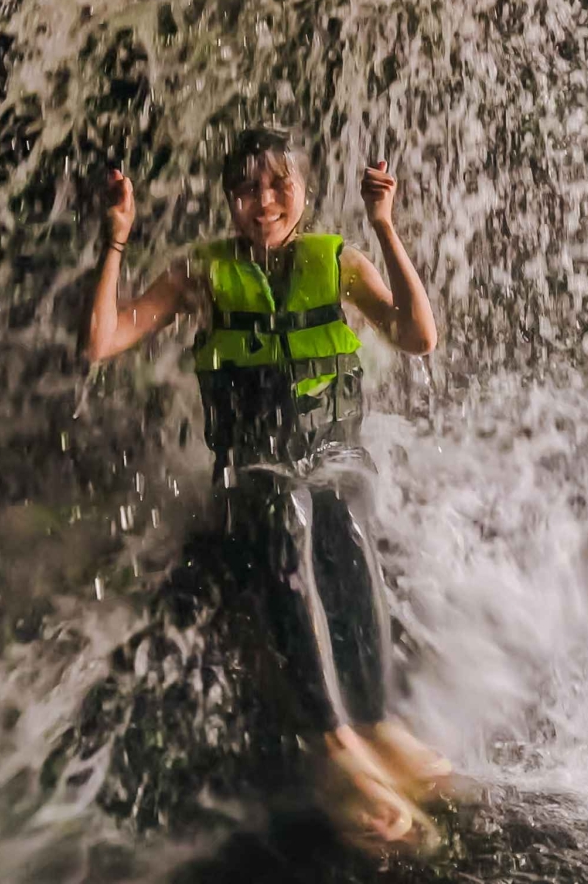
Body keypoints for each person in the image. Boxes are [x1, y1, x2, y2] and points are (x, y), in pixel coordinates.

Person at [81, 128, 449, 849]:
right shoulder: (200, 271)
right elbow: (101, 341)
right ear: (230, 199)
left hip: (333, 456)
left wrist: (384, 226)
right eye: (248, 188)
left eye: (280, 184)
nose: (265, 201)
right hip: (252, 469)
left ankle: (378, 722)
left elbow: (417, 336)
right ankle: (333, 741)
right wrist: (116, 238)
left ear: (304, 192)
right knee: (287, 509)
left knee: (340, 514)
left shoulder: (336, 262)